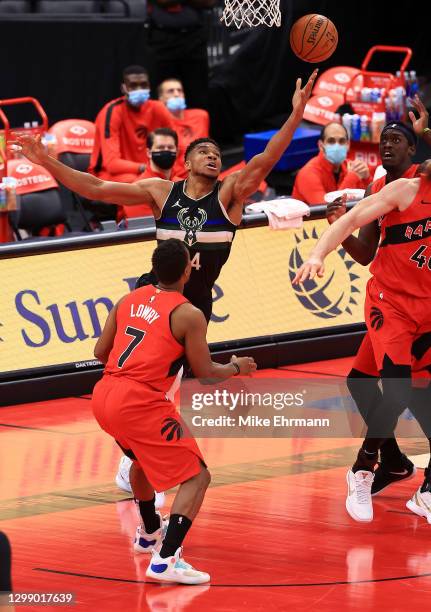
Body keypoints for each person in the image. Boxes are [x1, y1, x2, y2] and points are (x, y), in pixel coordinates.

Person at [15, 69, 318, 324]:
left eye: (216, 154)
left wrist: (296, 114)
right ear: (185, 164)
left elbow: (267, 158)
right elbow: (96, 188)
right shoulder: (161, 191)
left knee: (187, 377)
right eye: (203, 152)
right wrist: (45, 161)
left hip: (197, 301)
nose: (212, 157)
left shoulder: (230, 193)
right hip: (155, 293)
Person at [92, 238, 257, 584]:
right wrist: (236, 367)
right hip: (139, 402)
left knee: (141, 461)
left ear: (153, 269)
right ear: (187, 271)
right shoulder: (188, 314)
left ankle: (150, 532)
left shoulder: (126, 300)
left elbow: (100, 351)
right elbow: (207, 374)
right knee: (198, 477)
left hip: (104, 395)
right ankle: (166, 559)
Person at [293, 158, 431, 523]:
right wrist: (317, 253)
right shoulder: (406, 189)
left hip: (427, 312)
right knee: (401, 391)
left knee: (366, 382)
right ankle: (362, 469)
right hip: (391, 304)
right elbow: (352, 220)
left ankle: (410, 475)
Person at [326, 119, 426, 497]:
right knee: (362, 382)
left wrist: (427, 127)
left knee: (410, 389)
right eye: (384, 139)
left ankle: (374, 463)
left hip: (422, 305)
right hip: (390, 302)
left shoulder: (423, 179)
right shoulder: (377, 188)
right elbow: (367, 253)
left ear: (413, 149)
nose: (387, 145)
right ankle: (395, 461)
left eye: (397, 140)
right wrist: (340, 228)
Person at [88, 65, 175, 184]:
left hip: (150, 173)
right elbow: (112, 164)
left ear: (149, 86)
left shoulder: (158, 108)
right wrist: (147, 169)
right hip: (108, 176)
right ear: (124, 88)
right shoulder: (111, 112)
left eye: (143, 85)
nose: (139, 89)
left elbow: (176, 148)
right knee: (142, 186)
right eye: (133, 86)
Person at [145, 0, 216, 110]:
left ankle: (195, 126)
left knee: (198, 96)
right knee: (161, 93)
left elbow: (209, 2)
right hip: (162, 39)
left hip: (194, 38)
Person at [292, 121, 371, 205]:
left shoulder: (350, 167)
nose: (337, 146)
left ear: (348, 145)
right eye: (331, 141)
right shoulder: (308, 173)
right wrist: (352, 178)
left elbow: (371, 201)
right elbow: (326, 211)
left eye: (341, 141)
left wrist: (366, 179)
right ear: (321, 146)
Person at [119, 127, 182, 222]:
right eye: (160, 147)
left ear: (177, 152)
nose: (166, 151)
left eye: (170, 147)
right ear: (148, 153)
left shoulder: (184, 185)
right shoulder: (137, 189)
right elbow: (145, 226)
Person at [158, 78, 210, 179]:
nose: (177, 94)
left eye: (180, 90)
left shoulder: (201, 116)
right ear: (161, 98)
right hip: (179, 180)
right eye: (171, 91)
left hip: (206, 174)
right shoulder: (159, 123)